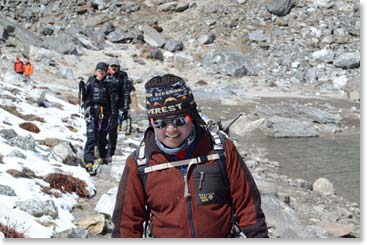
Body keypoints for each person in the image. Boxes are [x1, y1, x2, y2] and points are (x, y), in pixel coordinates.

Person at [112, 74, 268, 238]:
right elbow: (126, 225)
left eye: (179, 120)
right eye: (160, 123)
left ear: (192, 117)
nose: (171, 130)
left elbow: (248, 208)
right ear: (151, 122)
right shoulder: (140, 164)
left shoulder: (220, 150)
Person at [81, 62, 118, 174]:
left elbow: (112, 101)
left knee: (102, 137)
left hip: (104, 113)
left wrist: (114, 115)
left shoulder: (109, 84)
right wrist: (82, 88)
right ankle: (88, 162)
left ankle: (102, 156)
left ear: (106, 72)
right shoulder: (90, 82)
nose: (101, 73)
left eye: (103, 71)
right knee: (91, 137)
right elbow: (84, 98)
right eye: (99, 70)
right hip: (91, 112)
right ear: (96, 71)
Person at [105, 57, 130, 163]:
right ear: (108, 67)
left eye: (116, 66)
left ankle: (110, 152)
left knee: (113, 131)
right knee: (101, 129)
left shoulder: (122, 76)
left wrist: (125, 107)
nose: (114, 68)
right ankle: (100, 151)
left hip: (116, 107)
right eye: (112, 66)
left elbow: (125, 92)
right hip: (104, 106)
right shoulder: (103, 75)